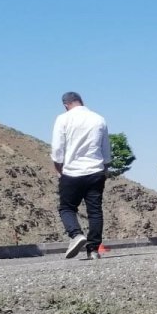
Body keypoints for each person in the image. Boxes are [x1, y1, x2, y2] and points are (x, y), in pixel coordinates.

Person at [51, 92, 110, 260]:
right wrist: (105, 169)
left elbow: (57, 148)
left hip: (72, 172)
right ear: (81, 101)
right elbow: (106, 149)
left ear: (66, 105)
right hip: (95, 171)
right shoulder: (99, 119)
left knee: (67, 208)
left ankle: (76, 235)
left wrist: (59, 169)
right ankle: (93, 250)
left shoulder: (63, 119)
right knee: (95, 211)